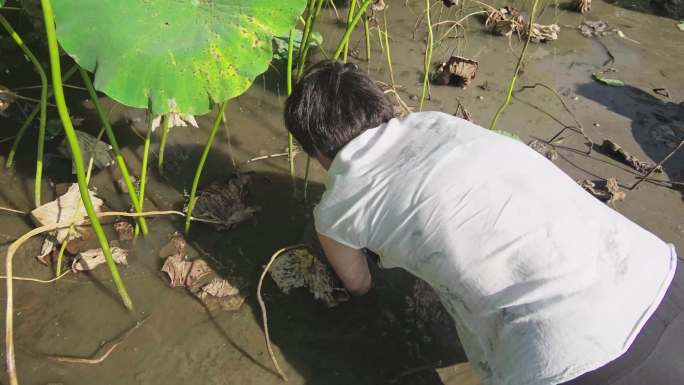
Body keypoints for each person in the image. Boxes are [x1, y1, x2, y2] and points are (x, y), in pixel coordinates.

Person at [283, 61, 682, 385]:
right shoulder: (440, 123)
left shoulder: (336, 209)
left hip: (577, 358)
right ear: (381, 105)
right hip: (660, 276)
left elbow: (359, 285)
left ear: (316, 149)